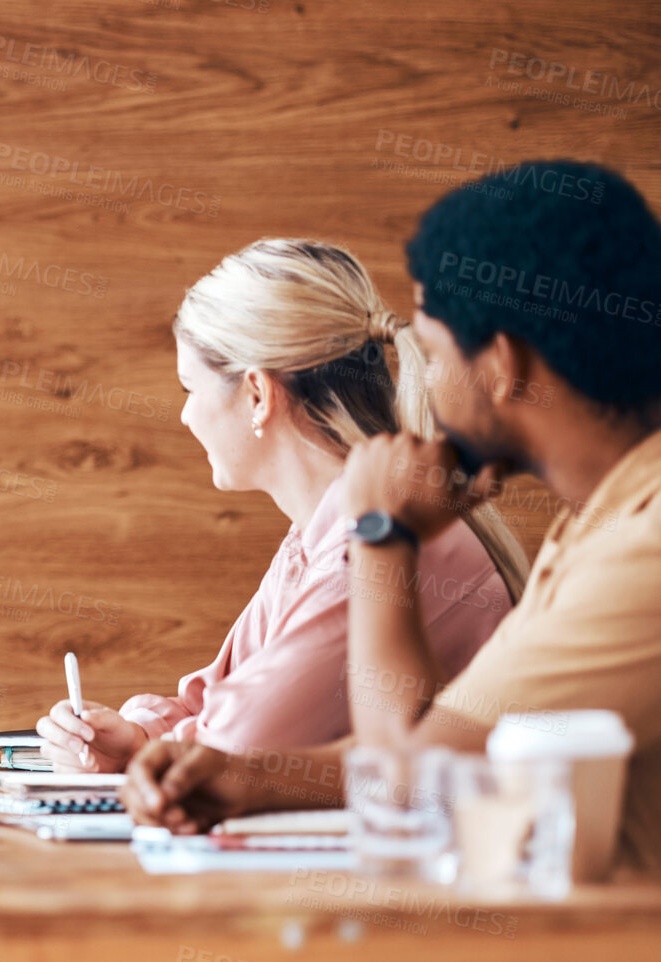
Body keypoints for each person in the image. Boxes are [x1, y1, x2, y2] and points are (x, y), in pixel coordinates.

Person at [122, 160, 661, 874]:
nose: (424, 386)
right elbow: (444, 744)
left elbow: (409, 785)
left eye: (434, 356)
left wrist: (382, 538)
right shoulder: (602, 524)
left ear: (502, 368)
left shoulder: (642, 551)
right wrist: (247, 781)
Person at [34, 240, 525, 772]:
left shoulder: (366, 539)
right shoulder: (322, 532)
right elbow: (221, 697)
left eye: (188, 389)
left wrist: (154, 748)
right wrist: (138, 739)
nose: (184, 417)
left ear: (258, 395)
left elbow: (236, 745)